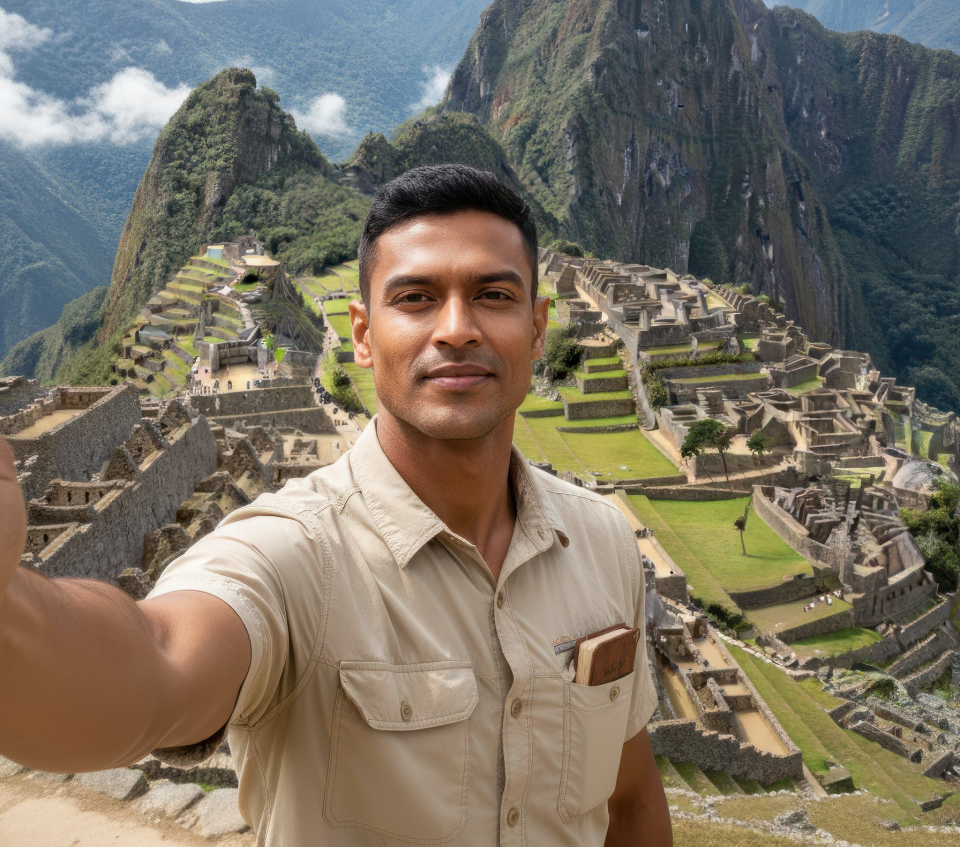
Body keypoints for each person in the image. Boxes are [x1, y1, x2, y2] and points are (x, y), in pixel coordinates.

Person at [0, 164, 671, 847]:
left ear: (537, 328)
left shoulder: (602, 541)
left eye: (493, 295)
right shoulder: (291, 557)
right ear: (362, 333)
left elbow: (631, 802)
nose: (457, 329)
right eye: (415, 298)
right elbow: (156, 663)